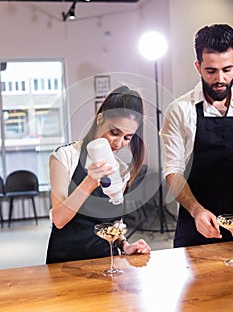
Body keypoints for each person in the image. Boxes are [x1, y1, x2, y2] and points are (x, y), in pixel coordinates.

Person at [46, 85, 151, 263]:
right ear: (99, 119)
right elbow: (59, 219)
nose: (118, 144)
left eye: (127, 137)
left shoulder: (122, 169)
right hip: (65, 261)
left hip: (106, 260)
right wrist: (88, 183)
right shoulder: (64, 157)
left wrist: (125, 245)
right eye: (114, 133)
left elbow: (113, 221)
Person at [160, 24, 233, 247]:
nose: (220, 78)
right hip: (196, 221)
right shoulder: (180, 110)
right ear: (198, 67)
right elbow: (173, 171)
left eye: (228, 69)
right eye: (211, 71)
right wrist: (196, 210)